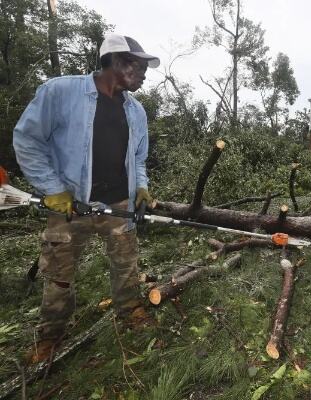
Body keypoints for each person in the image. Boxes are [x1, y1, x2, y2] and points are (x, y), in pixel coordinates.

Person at [13, 34, 160, 363]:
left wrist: (140, 186)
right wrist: (52, 189)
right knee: (59, 275)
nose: (144, 74)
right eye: (138, 66)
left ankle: (130, 310)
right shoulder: (61, 92)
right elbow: (28, 140)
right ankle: (49, 336)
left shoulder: (136, 111)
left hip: (119, 205)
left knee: (126, 264)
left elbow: (138, 158)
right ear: (118, 62)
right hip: (71, 205)